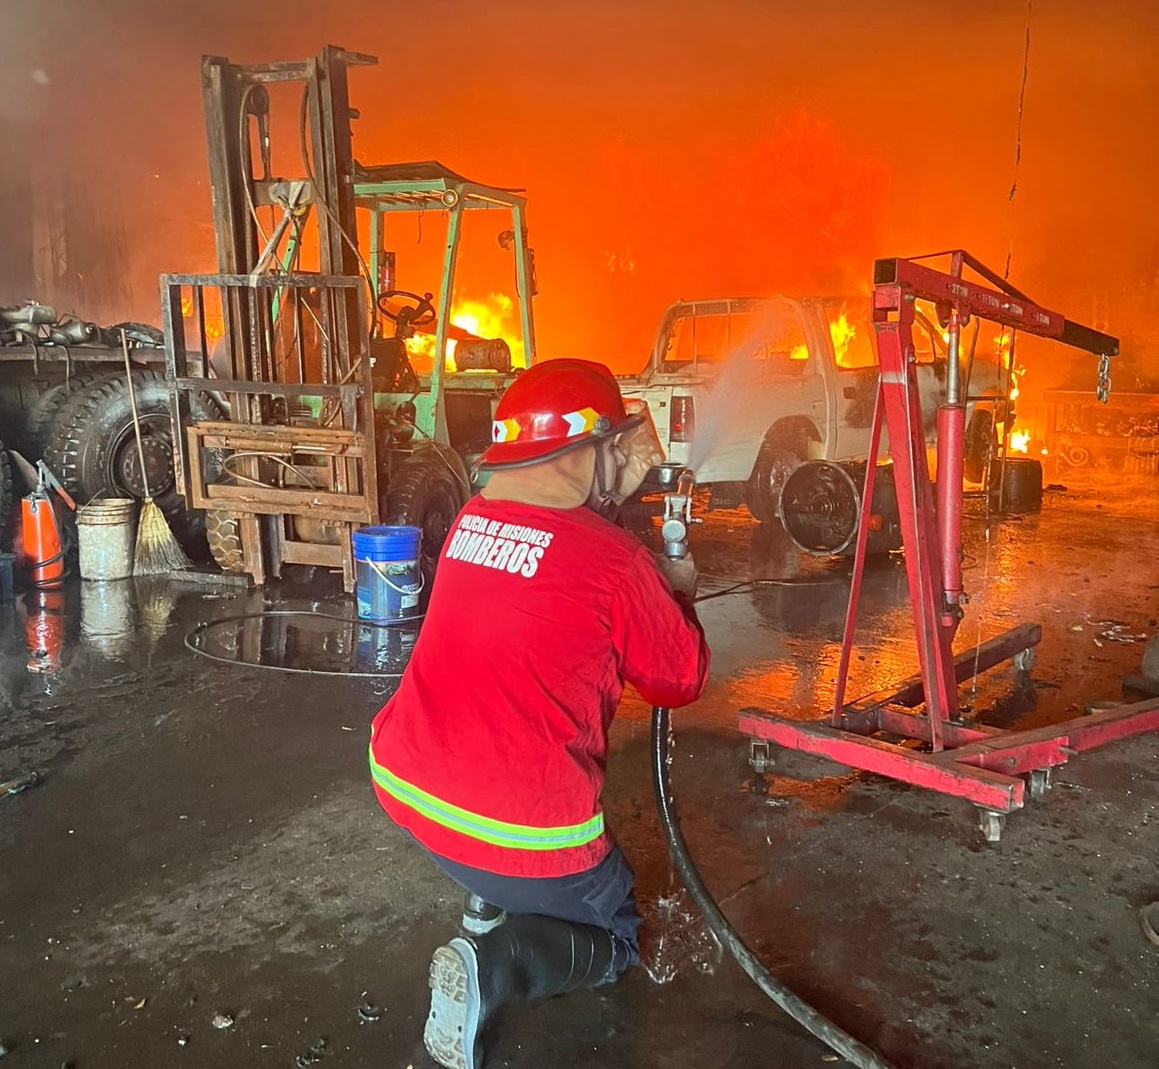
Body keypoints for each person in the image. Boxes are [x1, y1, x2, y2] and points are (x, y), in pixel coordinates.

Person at [368, 358, 709, 1069]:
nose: (622, 460)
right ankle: (495, 963)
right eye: (613, 446)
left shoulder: (472, 518)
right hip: (514, 828)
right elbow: (679, 680)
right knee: (616, 935)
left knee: (492, 792)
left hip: (407, 790)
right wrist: (673, 592)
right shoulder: (616, 564)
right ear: (582, 452)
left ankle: (484, 897)